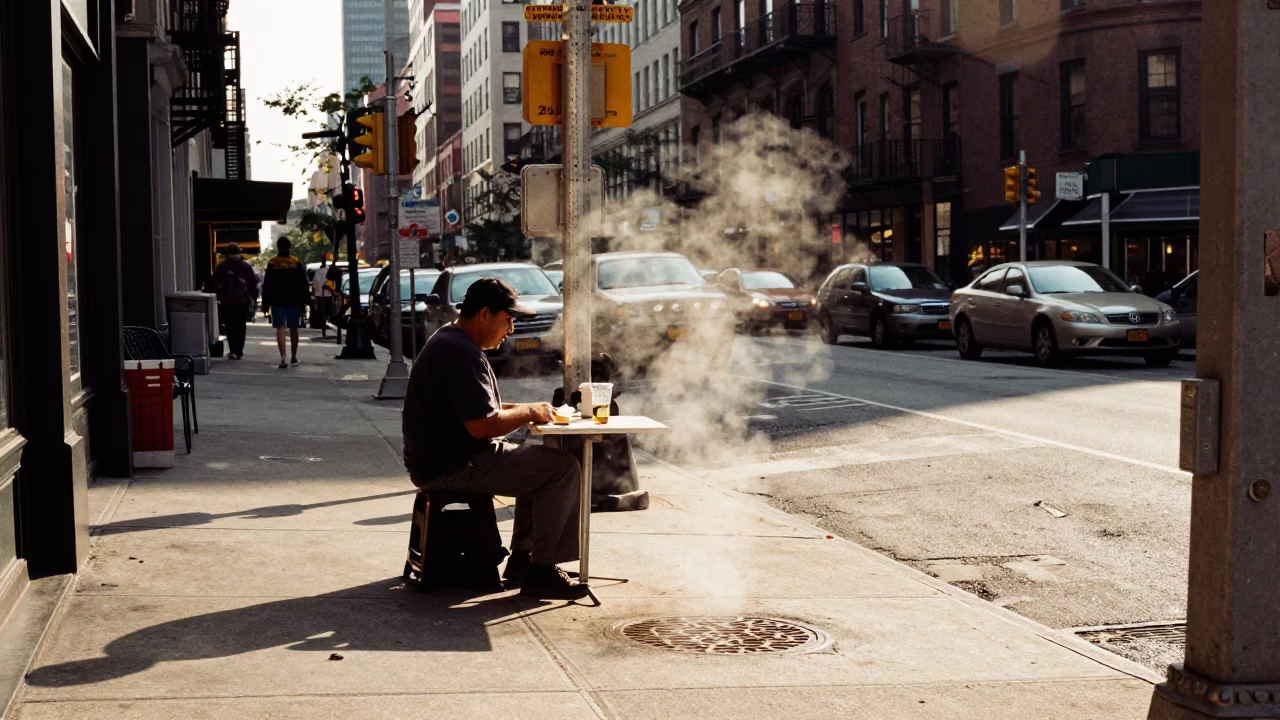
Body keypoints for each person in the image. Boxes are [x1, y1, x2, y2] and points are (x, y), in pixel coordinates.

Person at [402, 278, 586, 600]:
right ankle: (541, 570)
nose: (511, 329)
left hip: (442, 457)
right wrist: (530, 411)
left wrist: (536, 409)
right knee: (562, 468)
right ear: (484, 315)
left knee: (539, 465)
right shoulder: (460, 353)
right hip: (453, 464)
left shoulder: (451, 340)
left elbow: (479, 409)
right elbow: (482, 426)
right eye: (508, 320)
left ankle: (523, 562)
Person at [261, 238, 311, 369]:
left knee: (280, 329)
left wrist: (265, 303)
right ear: (290, 247)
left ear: (278, 247)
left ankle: (283, 358)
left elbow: (267, 284)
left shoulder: (272, 262)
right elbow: (304, 283)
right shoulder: (296, 262)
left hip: (277, 300)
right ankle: (294, 357)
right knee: (294, 328)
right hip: (294, 300)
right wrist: (306, 301)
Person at [203, 242, 259, 360]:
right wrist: (253, 298)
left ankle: (233, 350)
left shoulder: (223, 266)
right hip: (243, 301)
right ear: (239, 251)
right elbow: (253, 283)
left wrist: (216, 295)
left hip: (227, 300)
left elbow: (214, 282)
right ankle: (239, 351)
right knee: (240, 326)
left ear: (228, 252)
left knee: (230, 325)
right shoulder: (245, 266)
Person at [310, 257, 335, 338]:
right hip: (322, 295)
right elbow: (314, 284)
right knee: (322, 311)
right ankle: (323, 323)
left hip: (325, 295)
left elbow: (314, 284)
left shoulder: (325, 271)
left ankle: (323, 323)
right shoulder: (319, 271)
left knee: (324, 310)